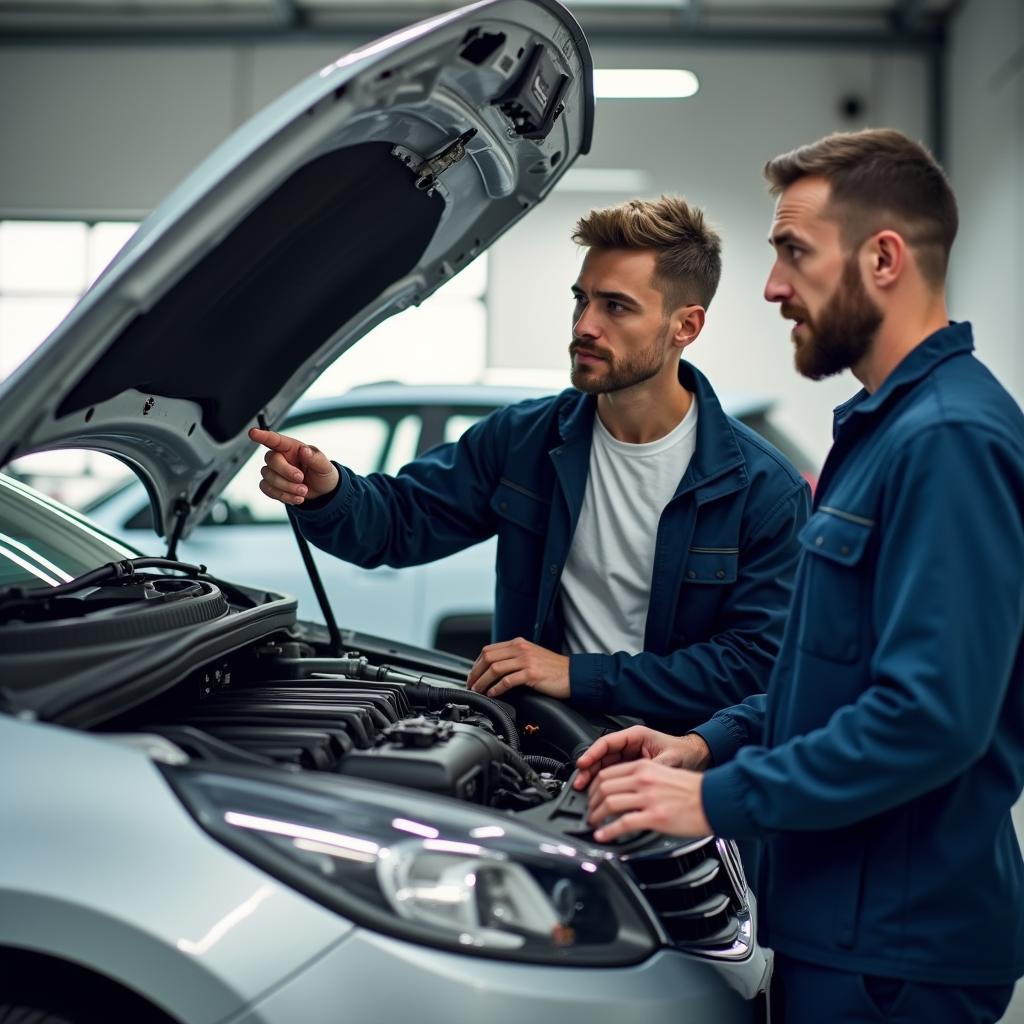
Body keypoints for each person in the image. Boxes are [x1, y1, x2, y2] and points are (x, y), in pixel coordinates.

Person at [576, 130, 1024, 1022]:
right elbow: (829, 676)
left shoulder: (948, 442)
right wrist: (706, 743)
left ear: (885, 258)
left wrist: (712, 799)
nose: (774, 286)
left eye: (793, 254)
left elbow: (928, 719)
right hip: (841, 925)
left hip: (895, 954)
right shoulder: (880, 430)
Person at [249, 196, 810, 730]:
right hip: (548, 746)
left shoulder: (763, 488)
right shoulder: (525, 439)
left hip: (680, 769)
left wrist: (577, 675)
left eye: (616, 305)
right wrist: (326, 491)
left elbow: (756, 667)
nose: (584, 325)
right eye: (581, 298)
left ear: (685, 326)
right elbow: (399, 523)